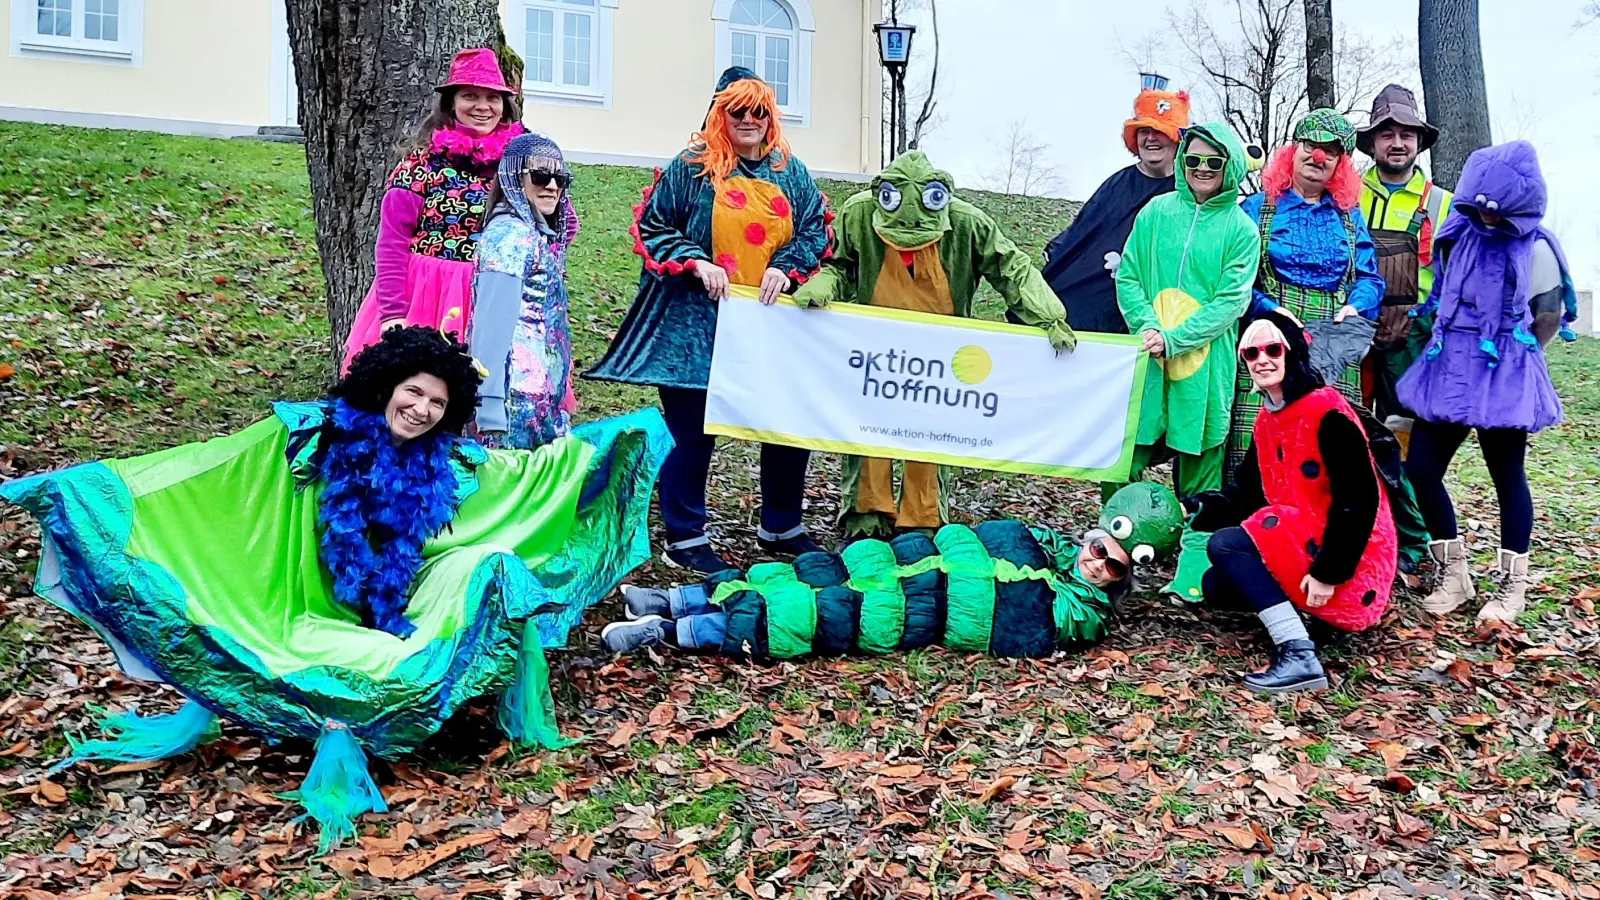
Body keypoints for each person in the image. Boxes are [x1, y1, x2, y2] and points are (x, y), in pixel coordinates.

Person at [2, 327, 672, 849]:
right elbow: (218, 468)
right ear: (385, 384)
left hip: (396, 604)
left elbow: (524, 476)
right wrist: (84, 488)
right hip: (302, 601)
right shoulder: (315, 437)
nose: (421, 409)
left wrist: (610, 445)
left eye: (438, 403)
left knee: (490, 563)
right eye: (413, 392)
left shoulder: (448, 462)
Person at [586, 67, 832, 573]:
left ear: (771, 117)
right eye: (737, 110)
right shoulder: (693, 166)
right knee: (693, 430)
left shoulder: (791, 171)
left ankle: (782, 524)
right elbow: (654, 225)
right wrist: (696, 262)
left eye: (758, 111)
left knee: (786, 421)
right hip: (696, 326)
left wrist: (787, 269)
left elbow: (813, 231)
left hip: (768, 327)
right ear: (721, 113)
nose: (748, 120)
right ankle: (686, 536)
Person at [793, 151, 1075, 541]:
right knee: (868, 429)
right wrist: (823, 285)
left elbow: (1012, 268)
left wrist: (1048, 315)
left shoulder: (969, 224)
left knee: (928, 433)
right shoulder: (858, 214)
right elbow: (838, 263)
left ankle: (921, 521)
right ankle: (865, 519)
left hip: (940, 356)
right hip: (875, 352)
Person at [1397, 141, 1578, 623]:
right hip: (1452, 368)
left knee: (1506, 475)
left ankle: (1511, 584)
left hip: (1504, 373)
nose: (1488, 217)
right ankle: (1453, 572)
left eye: (1498, 210)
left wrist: (1520, 358)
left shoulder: (1536, 246)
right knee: (1421, 468)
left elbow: (1549, 315)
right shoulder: (1460, 234)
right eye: (1480, 206)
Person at [1191, 311, 1396, 694]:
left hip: (1352, 556)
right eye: (1251, 353)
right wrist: (1199, 508)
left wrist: (1328, 572)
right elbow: (1247, 493)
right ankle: (1311, 622)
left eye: (1272, 348)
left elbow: (1360, 500)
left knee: (1228, 545)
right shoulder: (1268, 420)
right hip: (1304, 534)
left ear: (1292, 352)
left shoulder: (1327, 412)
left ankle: (1298, 652)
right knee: (1218, 584)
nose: (1262, 359)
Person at [597, 519, 1127, 658]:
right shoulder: (1044, 546)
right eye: (1097, 549)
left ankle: (670, 632)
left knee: (815, 614)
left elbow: (1057, 614)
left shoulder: (1081, 611)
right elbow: (1032, 545)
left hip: (915, 609)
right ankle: (677, 598)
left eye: (1113, 569)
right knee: (810, 572)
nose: (1096, 564)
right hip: (905, 563)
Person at [342, 48, 527, 366]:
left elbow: (559, 229)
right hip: (427, 299)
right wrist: (392, 313)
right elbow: (392, 243)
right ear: (451, 103)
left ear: (505, 105)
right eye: (470, 95)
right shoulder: (420, 164)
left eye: (493, 98)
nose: (483, 107)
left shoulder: (520, 164)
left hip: (498, 296)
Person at [1111, 122, 1260, 500]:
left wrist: (1174, 340)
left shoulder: (1242, 230)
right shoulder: (1155, 212)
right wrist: (1147, 328)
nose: (1203, 168)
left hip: (1207, 365)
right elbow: (1128, 276)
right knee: (1120, 455)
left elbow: (1232, 301)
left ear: (1231, 166)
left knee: (1201, 475)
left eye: (1214, 161)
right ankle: (1117, 543)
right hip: (1148, 357)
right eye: (1193, 159)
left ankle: (1195, 548)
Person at [1233, 110, 1385, 475]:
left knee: (1328, 448)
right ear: (1293, 151)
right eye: (1311, 145)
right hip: (1269, 339)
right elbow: (1237, 280)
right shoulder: (1255, 209)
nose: (1318, 156)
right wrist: (1268, 310)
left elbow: (1370, 278)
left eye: (1330, 151)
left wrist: (1355, 307)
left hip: (1332, 342)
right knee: (1258, 445)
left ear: (1340, 165)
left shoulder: (1350, 216)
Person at [1356, 85, 1453, 579]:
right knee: (1348, 439)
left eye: (1406, 134)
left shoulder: (1443, 204)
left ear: (1419, 141)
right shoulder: (1346, 194)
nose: (1397, 142)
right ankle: (1357, 535)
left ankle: (1412, 543)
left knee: (1406, 445)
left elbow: (1459, 280)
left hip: (1414, 339)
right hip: (1352, 333)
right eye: (1387, 133)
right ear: (1372, 142)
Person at [1035, 79, 1190, 333]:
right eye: (1143, 130)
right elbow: (1084, 237)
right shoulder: (1117, 185)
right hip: (1097, 311)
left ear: (1177, 139)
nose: (1151, 138)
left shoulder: (1188, 193)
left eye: (1160, 130)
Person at [469, 132, 582, 449]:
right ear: (513, 179)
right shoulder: (509, 236)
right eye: (540, 175)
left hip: (538, 399)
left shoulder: (530, 234)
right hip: (512, 403)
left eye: (560, 178)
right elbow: (491, 326)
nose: (552, 186)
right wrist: (488, 408)